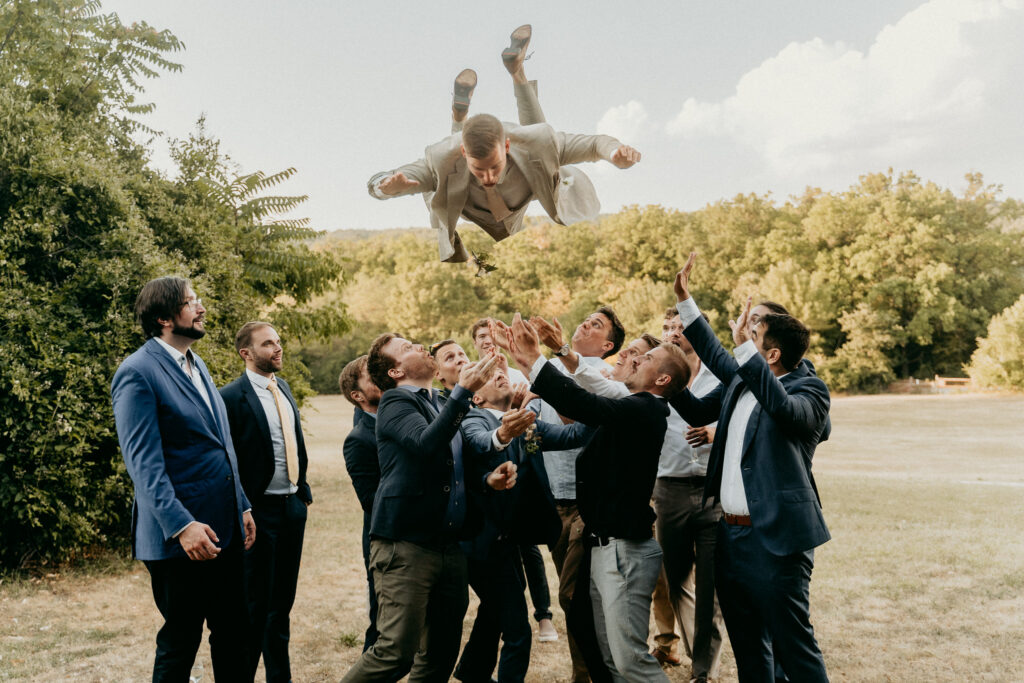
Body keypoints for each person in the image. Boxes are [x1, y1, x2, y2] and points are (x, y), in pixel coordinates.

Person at [670, 254, 832, 682]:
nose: (742, 334)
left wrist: (744, 348)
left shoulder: (810, 391)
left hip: (776, 537)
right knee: (747, 648)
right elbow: (714, 354)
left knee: (793, 648)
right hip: (730, 535)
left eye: (753, 334)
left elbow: (782, 409)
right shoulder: (741, 381)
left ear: (771, 353)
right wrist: (686, 301)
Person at [507, 313, 692, 683]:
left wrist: (536, 360)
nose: (633, 360)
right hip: (605, 546)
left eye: (646, 359)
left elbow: (584, 403)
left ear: (662, 379)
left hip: (624, 552)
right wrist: (530, 360)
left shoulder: (645, 409)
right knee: (608, 657)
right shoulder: (632, 404)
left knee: (630, 661)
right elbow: (592, 391)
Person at [367, 25, 642, 264]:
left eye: (494, 167)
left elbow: (595, 144)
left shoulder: (539, 143)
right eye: (479, 169)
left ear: (507, 146)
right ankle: (460, 118)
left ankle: (516, 71)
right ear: (465, 153)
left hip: (527, 165)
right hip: (469, 200)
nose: (488, 178)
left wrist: (614, 152)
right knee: (447, 169)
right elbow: (379, 182)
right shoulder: (441, 159)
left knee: (539, 141)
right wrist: (386, 187)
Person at [340, 334, 514, 682]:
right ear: (395, 372)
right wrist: (463, 391)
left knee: (439, 656)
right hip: (407, 546)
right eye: (407, 348)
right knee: (394, 654)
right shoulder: (395, 402)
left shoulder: (440, 401)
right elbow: (425, 443)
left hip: (449, 546)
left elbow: (455, 462)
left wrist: (487, 480)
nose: (420, 347)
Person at [111, 276, 255, 681]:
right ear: (163, 317)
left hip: (224, 527)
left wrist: (242, 504)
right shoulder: (137, 372)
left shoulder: (197, 363)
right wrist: (181, 526)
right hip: (180, 540)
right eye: (191, 302)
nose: (201, 307)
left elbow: (219, 444)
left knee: (235, 633)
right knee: (181, 641)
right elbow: (143, 464)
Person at [492, 307, 626, 683]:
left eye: (597, 325)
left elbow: (583, 423)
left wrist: (548, 387)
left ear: (608, 345)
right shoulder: (546, 371)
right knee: (578, 599)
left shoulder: (602, 376)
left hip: (588, 502)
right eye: (586, 319)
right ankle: (584, 673)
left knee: (574, 595)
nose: (586, 324)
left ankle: (602, 671)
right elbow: (532, 433)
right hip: (554, 502)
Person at [454, 370, 592, 682]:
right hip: (481, 542)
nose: (500, 374)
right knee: (517, 632)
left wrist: (583, 401)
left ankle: (472, 674)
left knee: (495, 612)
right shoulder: (474, 418)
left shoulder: (527, 424)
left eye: (500, 371)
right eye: (489, 376)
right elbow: (480, 442)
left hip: (509, 540)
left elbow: (574, 436)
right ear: (477, 397)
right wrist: (503, 434)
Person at [219, 322, 312, 682]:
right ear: (246, 353)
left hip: (292, 509)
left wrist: (301, 494)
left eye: (278, 341)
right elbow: (226, 461)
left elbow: (294, 442)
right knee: (254, 608)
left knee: (282, 606)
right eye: (268, 343)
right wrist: (241, 507)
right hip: (256, 514)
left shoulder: (282, 387)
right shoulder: (230, 397)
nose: (278, 348)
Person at [469, 319, 557, 643]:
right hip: (490, 512)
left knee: (528, 555)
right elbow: (479, 437)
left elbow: (542, 431)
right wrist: (506, 429)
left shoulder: (516, 375)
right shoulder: (474, 392)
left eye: (492, 335)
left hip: (523, 487)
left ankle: (544, 615)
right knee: (507, 601)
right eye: (481, 336)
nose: (487, 341)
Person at [339, 355, 392, 656]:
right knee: (382, 623)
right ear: (357, 396)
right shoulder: (359, 440)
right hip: (385, 540)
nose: (382, 378)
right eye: (372, 377)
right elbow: (371, 501)